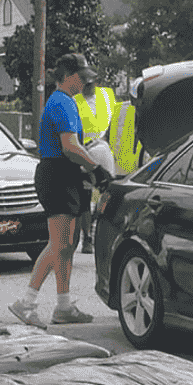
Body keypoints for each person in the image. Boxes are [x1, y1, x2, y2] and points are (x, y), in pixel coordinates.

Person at [8, 53, 113, 328]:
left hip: (65, 174)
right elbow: (69, 146)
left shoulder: (66, 102)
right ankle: (26, 303)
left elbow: (73, 146)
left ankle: (63, 307)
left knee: (67, 245)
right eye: (81, 76)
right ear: (67, 76)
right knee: (58, 245)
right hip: (56, 175)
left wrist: (87, 167)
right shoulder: (61, 102)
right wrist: (95, 168)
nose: (85, 82)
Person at [72, 71, 118, 254]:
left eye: (90, 83)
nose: (88, 86)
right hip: (84, 151)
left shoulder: (107, 95)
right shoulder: (75, 101)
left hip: (104, 149)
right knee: (84, 196)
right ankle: (88, 237)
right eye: (85, 83)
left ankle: (100, 226)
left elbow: (115, 120)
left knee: (109, 192)